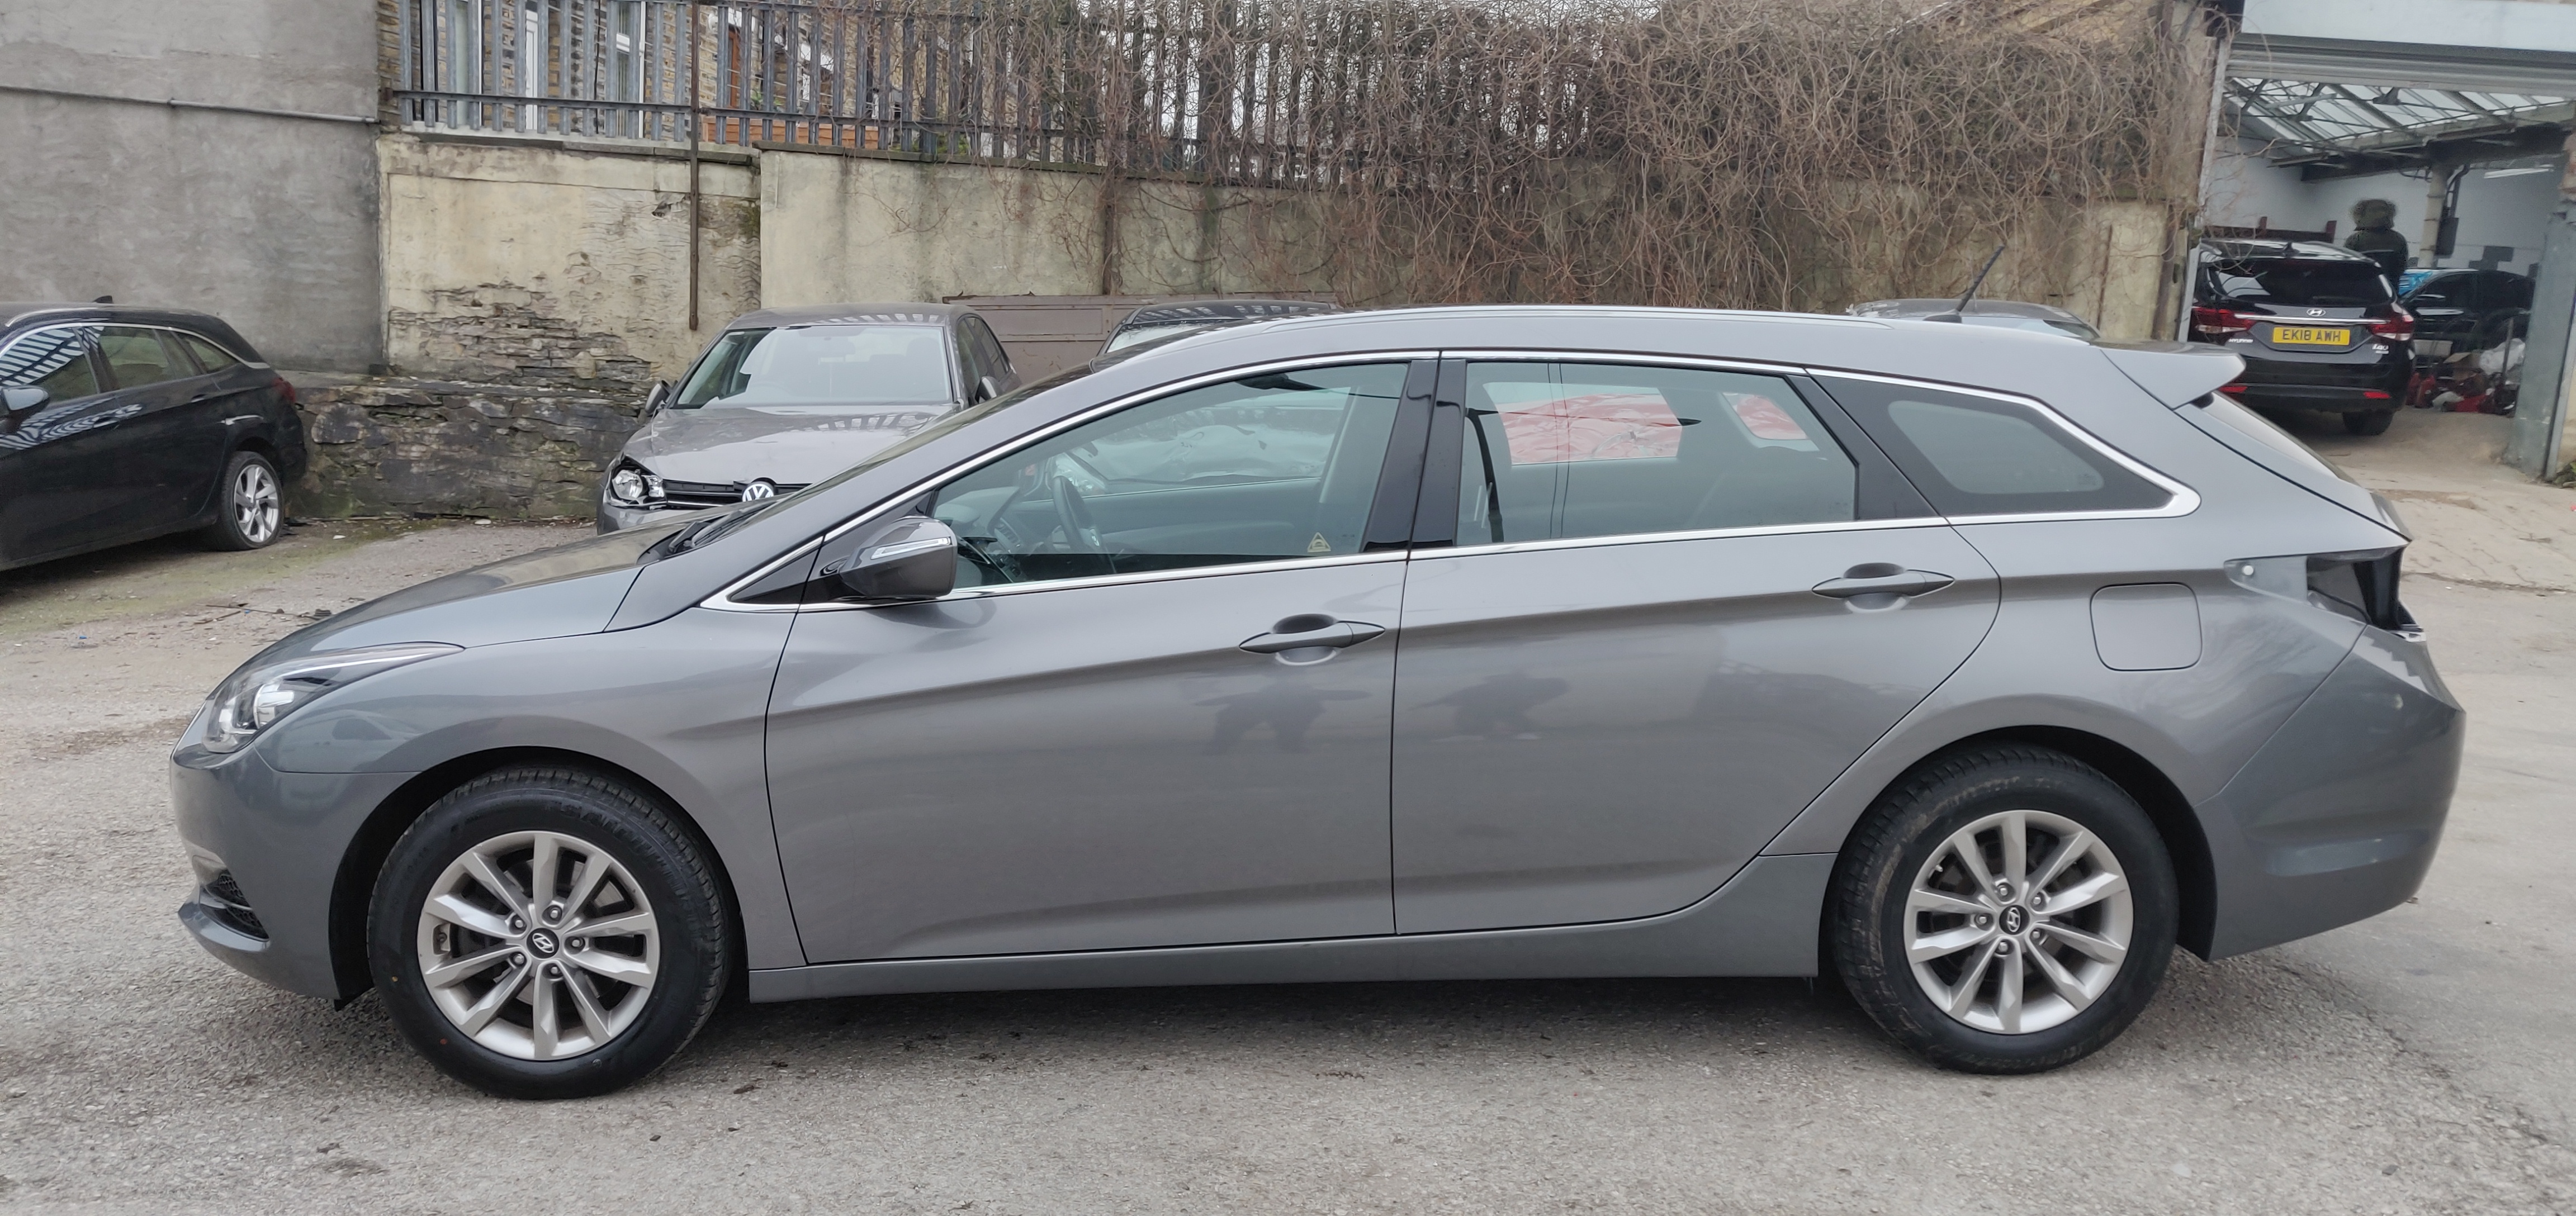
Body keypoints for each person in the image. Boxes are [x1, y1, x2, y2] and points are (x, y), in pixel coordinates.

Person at [2344, 198, 2409, 283]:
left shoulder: (2355, 239)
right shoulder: (2399, 239)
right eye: (2375, 211)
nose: (2381, 214)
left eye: (2383, 210)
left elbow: (2346, 267)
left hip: (2364, 286)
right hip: (2384, 287)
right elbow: (2401, 268)